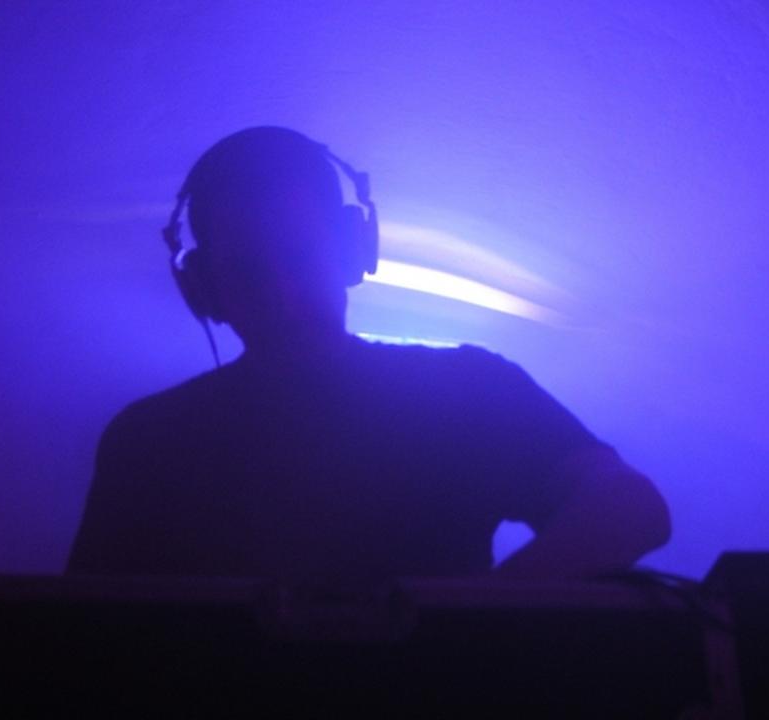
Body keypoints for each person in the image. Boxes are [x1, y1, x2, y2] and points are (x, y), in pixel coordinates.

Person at [67, 126, 669, 580]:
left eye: (295, 246)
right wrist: (466, 639)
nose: (281, 276)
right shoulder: (465, 390)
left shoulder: (151, 438)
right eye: (256, 254)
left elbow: (628, 507)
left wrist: (475, 628)